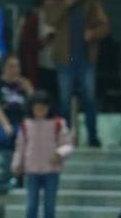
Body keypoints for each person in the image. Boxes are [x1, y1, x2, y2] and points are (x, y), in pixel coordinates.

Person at [46, 0, 110, 147]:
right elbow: (50, 21)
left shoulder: (91, 5)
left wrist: (93, 33)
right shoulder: (56, 5)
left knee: (89, 100)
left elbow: (105, 27)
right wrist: (65, 6)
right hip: (65, 59)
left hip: (85, 58)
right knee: (64, 101)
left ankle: (93, 137)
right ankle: (63, 138)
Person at [12, 90, 72, 218]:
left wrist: (59, 154)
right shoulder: (25, 124)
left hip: (51, 170)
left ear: (48, 108)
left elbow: (67, 145)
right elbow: (20, 147)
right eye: (37, 109)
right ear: (32, 108)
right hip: (31, 170)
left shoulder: (58, 124)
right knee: (31, 206)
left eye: (43, 109)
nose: (40, 112)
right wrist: (17, 164)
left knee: (49, 206)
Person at [0, 54, 34, 149]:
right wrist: (6, 125)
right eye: (11, 66)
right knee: (3, 137)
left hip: (18, 121)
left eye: (17, 66)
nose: (15, 70)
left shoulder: (23, 85)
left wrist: (29, 90)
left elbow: (35, 107)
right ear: (3, 68)